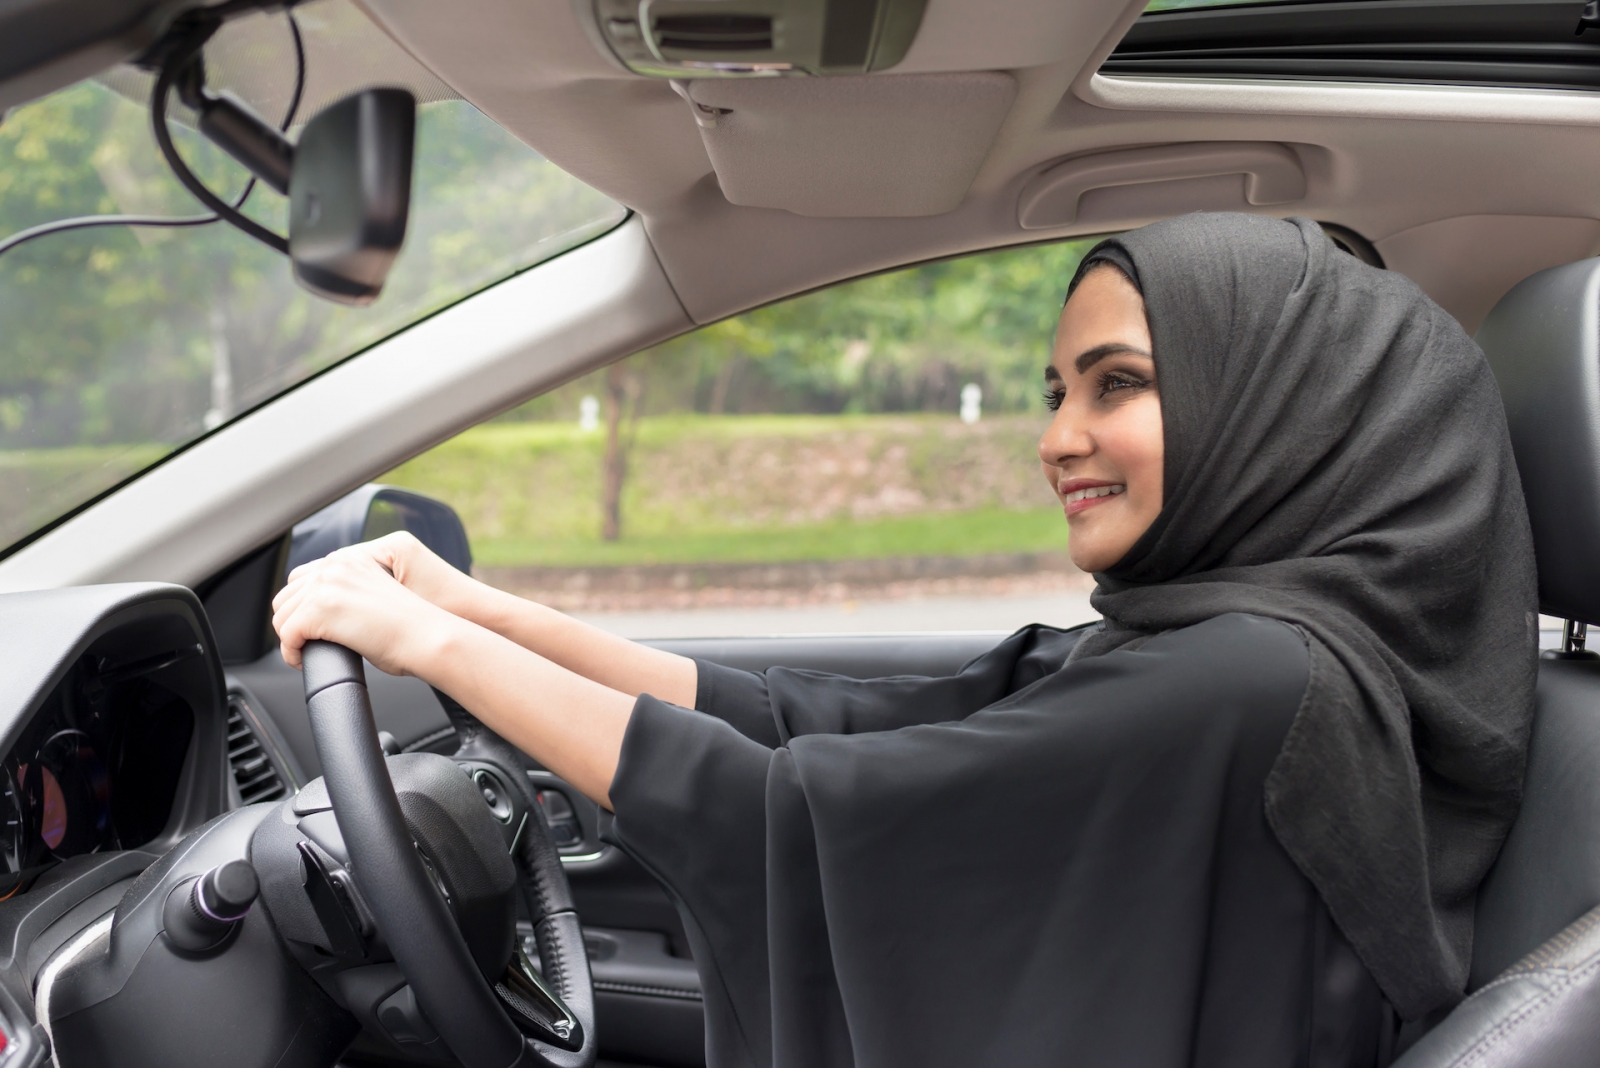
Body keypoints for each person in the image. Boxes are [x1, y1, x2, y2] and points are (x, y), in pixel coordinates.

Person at [272, 213, 1538, 1067]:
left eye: (1121, 383)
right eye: (1057, 393)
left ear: (1283, 413)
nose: (1057, 437)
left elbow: (785, 813)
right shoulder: (1232, 644)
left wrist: (427, 648)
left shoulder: (1258, 681)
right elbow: (817, 723)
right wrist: (478, 613)